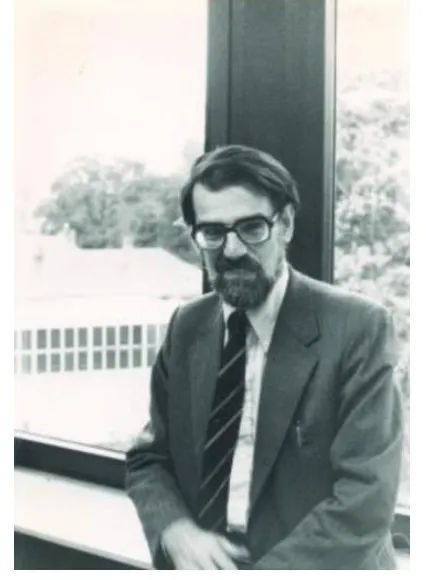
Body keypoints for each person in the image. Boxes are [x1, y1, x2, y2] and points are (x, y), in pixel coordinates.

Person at [126, 145, 403, 570]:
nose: (232, 250)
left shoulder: (358, 327)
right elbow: (149, 458)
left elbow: (366, 500)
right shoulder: (186, 326)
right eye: (213, 232)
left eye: (252, 228)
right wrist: (174, 529)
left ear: (285, 224)